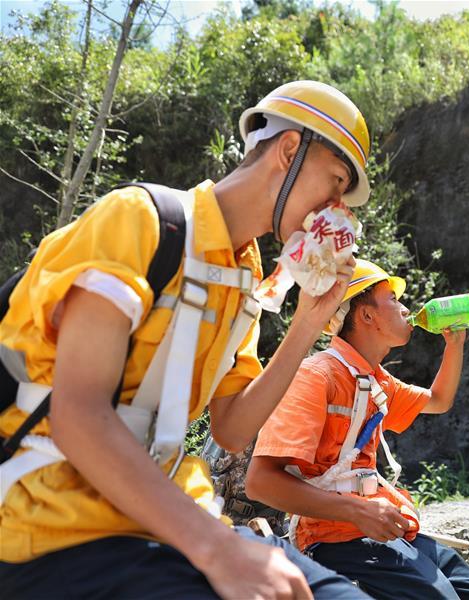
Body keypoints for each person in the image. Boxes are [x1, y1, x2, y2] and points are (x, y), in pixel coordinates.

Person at [0, 81, 375, 599]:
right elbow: (79, 416)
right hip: (56, 524)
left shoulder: (245, 274)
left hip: (172, 520)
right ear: (289, 152)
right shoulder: (137, 219)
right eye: (334, 182)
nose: (337, 207)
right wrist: (219, 551)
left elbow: (233, 429)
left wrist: (309, 322)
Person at [246, 259, 469, 599]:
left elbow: (439, 400)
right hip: (334, 538)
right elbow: (260, 482)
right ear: (366, 316)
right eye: (394, 300)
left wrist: (455, 345)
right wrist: (357, 510)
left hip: (381, 529)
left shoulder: (375, 381)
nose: (406, 308)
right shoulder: (315, 376)